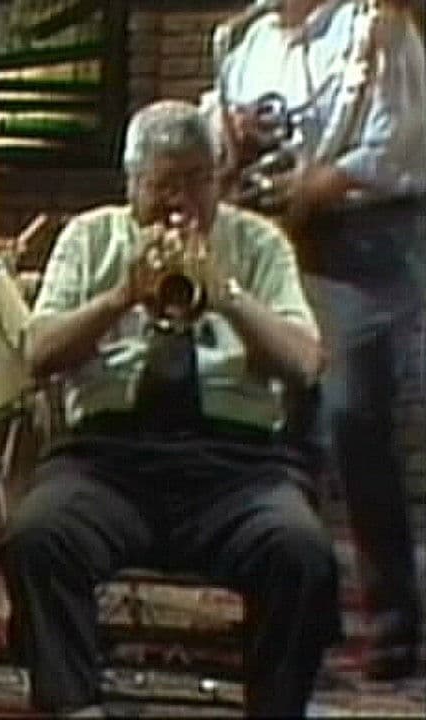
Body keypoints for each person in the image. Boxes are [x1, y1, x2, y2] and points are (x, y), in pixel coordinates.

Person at [0, 100, 340, 716]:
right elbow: (38, 353)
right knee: (37, 535)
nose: (178, 203)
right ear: (131, 183)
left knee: (302, 552)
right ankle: (73, 706)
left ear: (218, 178)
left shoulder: (258, 242)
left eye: (195, 182)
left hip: (236, 465)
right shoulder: (90, 238)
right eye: (161, 185)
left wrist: (227, 294)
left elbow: (304, 361)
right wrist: (118, 297)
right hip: (108, 458)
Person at [206, 0, 426, 680]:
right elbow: (225, 140)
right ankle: (294, 608)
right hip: (277, 237)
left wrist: (312, 189)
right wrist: (232, 137)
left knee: (353, 418)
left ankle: (392, 622)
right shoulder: (248, 39)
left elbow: (398, 142)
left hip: (364, 244)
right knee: (278, 425)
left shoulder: (376, 27)